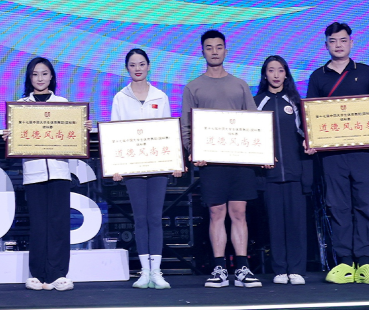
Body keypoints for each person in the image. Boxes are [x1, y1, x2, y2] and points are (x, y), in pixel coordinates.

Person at [305, 22, 369, 284]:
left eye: (343, 40)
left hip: (364, 153)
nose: (339, 45)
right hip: (333, 156)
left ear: (351, 43)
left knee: (366, 205)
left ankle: (365, 262)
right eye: (333, 41)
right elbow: (311, 115)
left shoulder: (365, 72)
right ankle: (345, 262)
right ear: (326, 45)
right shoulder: (318, 76)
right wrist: (311, 139)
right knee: (338, 207)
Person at [184, 29, 259, 288]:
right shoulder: (193, 86)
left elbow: (254, 122)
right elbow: (186, 126)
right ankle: (219, 268)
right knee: (216, 212)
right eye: (209, 47)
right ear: (202, 51)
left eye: (218, 47)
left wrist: (258, 151)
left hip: (240, 160)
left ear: (226, 50)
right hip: (211, 162)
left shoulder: (240, 84)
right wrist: (193, 151)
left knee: (239, 212)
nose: (214, 52)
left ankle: (242, 268)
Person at [106, 48, 173, 289]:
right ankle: (144, 271)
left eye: (142, 64)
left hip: (158, 166)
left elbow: (168, 132)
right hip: (132, 167)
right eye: (133, 64)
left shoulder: (160, 97)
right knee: (140, 218)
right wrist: (115, 166)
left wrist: (174, 162)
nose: (137, 68)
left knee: (154, 217)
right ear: (127, 68)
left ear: (148, 66)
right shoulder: (120, 98)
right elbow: (115, 133)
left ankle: (157, 271)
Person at [14, 56, 81, 292]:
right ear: (29, 78)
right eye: (35, 74)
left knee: (59, 224)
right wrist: (10, 136)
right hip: (34, 173)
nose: (40, 78)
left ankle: (58, 274)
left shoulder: (64, 104)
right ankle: (37, 275)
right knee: (39, 225)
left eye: (44, 73)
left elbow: (73, 136)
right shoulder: (20, 106)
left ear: (51, 76)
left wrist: (82, 128)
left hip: (60, 171)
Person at [253, 54, 312, 284]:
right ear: (264, 74)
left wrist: (310, 143)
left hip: (295, 173)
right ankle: (279, 269)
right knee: (275, 224)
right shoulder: (257, 102)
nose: (276, 75)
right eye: (271, 70)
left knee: (297, 224)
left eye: (280, 70)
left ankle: (296, 269)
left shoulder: (296, 102)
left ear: (286, 74)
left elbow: (307, 134)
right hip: (270, 175)